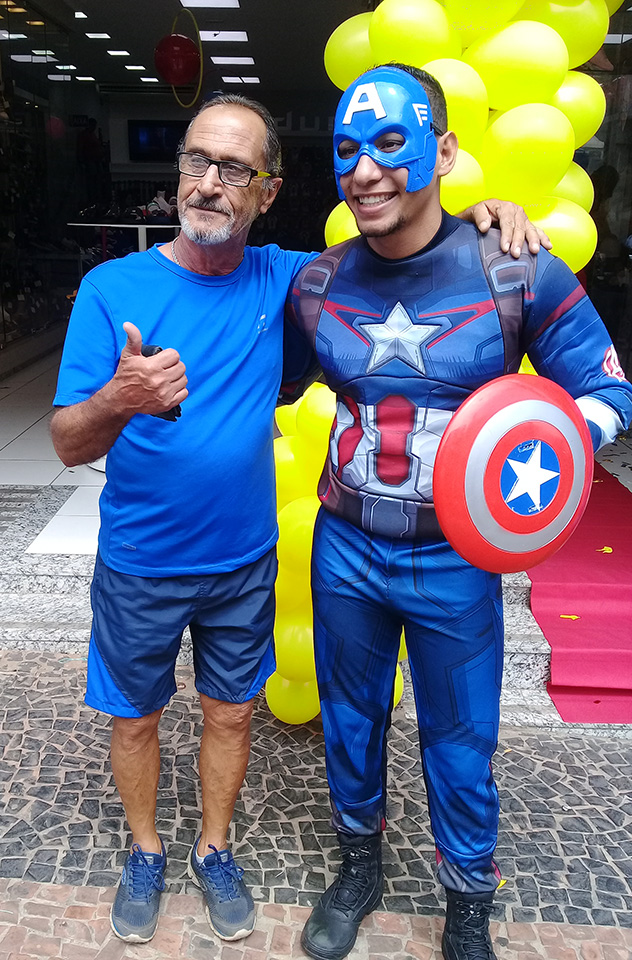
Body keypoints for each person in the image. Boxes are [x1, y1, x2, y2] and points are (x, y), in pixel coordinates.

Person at [50, 91, 547, 947]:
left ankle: (214, 849)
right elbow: (66, 442)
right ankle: (144, 851)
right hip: (139, 557)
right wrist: (118, 398)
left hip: (244, 559)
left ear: (268, 191)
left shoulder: (293, 279)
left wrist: (480, 215)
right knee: (135, 715)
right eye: (196, 161)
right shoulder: (111, 288)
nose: (209, 183)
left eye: (234, 169)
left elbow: (397, 240)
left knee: (231, 713)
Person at [284, 64, 632, 960]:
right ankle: (358, 866)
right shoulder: (315, 285)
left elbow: (606, 389)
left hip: (455, 559)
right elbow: (261, 378)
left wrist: (550, 456)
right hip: (346, 547)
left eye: (389, 143)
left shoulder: (514, 267)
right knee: (349, 719)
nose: (365, 170)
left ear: (442, 152)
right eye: (347, 149)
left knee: (461, 738)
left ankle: (469, 899)